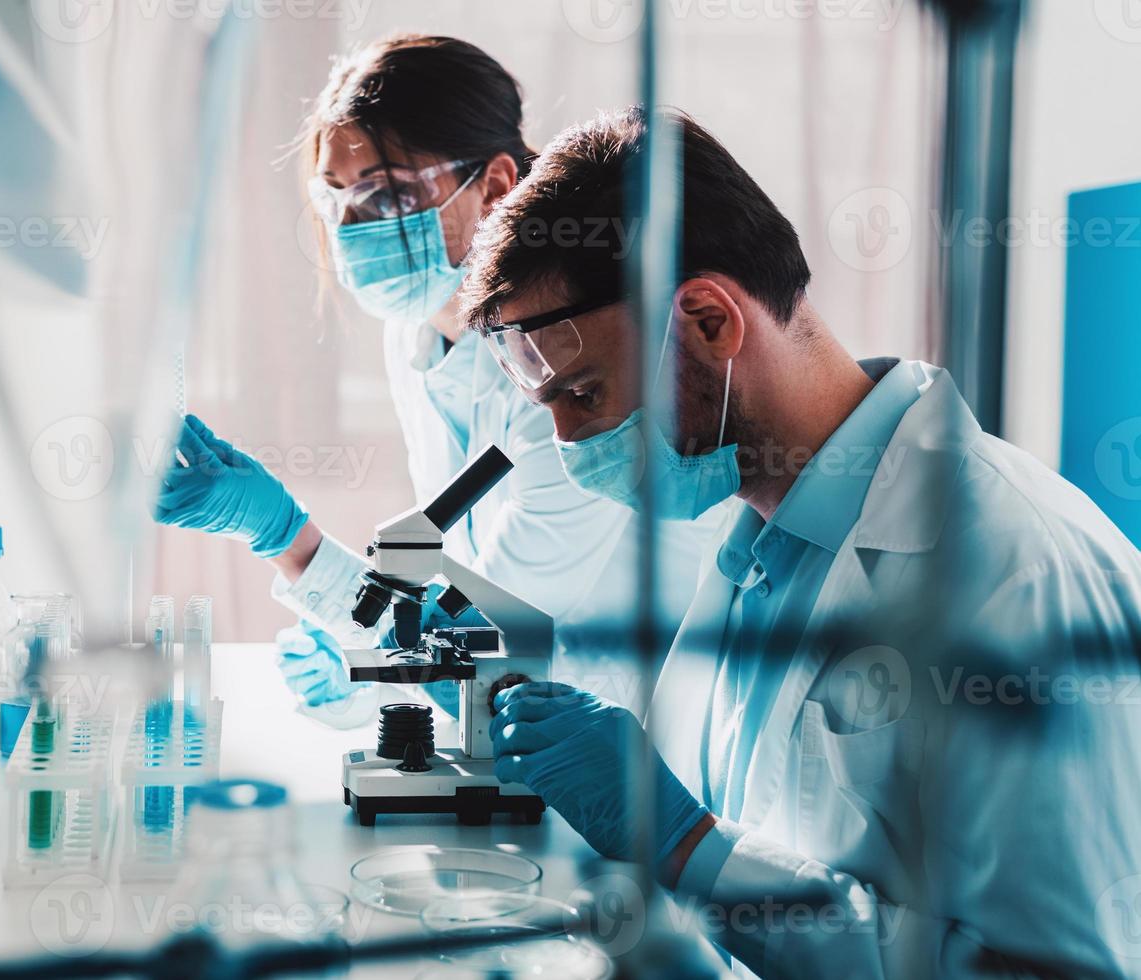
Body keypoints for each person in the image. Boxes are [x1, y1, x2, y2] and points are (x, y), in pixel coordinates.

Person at [459, 105, 1141, 976]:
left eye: (583, 393)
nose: (565, 444)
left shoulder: (1014, 573)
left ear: (708, 321)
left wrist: (684, 845)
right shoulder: (759, 541)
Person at [156, 37, 711, 722]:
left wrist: (289, 542)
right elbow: (455, 581)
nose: (354, 230)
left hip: (632, 731)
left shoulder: (573, 370)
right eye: (338, 203)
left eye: (387, 198)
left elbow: (496, 633)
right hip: (512, 716)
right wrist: (366, 665)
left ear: (496, 186)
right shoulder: (419, 332)